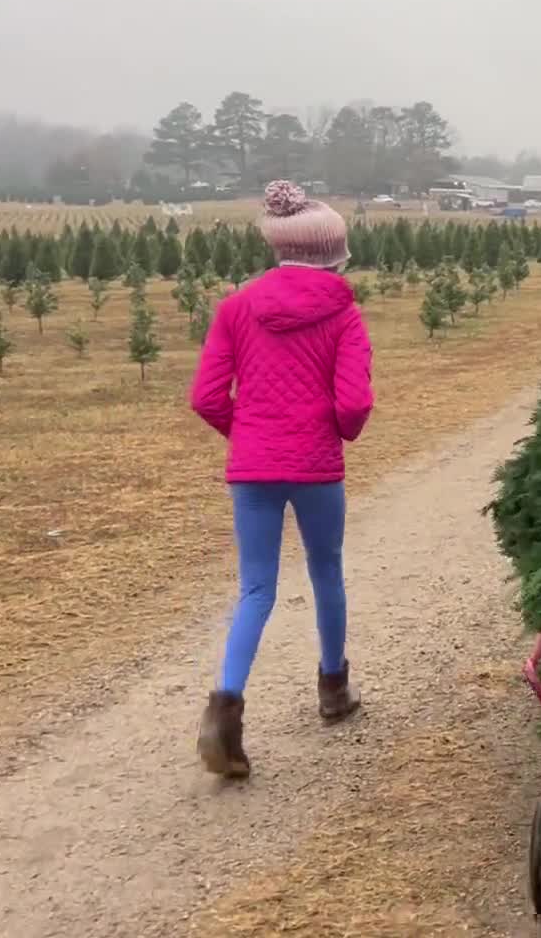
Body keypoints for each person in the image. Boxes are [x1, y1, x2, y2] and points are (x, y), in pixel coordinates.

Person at [189, 180, 375, 778]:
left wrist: (246, 435)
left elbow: (207, 396)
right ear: (334, 252)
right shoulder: (344, 315)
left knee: (256, 589)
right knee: (326, 572)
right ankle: (332, 689)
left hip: (253, 467)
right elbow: (352, 404)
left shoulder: (235, 307)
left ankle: (225, 709)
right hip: (316, 466)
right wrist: (338, 430)